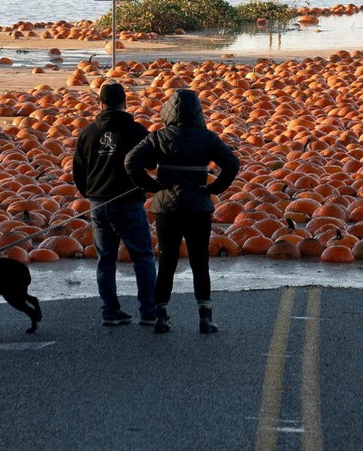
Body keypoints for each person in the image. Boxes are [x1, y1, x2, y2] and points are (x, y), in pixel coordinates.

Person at [124, 88, 239, 335]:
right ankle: (205, 317)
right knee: (200, 261)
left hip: (167, 207)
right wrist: (215, 187)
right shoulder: (208, 138)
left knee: (167, 261)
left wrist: (151, 186)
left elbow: (130, 161)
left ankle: (161, 316)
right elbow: (232, 163)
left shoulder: (159, 137)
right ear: (198, 112)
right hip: (198, 206)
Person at [73, 81, 157, 326]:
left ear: (100, 103)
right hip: (128, 202)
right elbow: (151, 164)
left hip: (98, 204)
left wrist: (90, 194)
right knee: (142, 257)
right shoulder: (137, 132)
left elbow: (78, 171)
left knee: (105, 258)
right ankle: (149, 312)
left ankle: (110, 310)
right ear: (125, 103)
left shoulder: (88, 133)